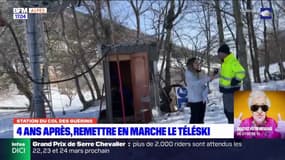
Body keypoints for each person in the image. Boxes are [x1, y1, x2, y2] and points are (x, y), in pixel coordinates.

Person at [217, 44, 245, 123]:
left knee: (231, 112)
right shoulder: (225, 62)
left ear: (224, 53)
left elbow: (242, 72)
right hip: (226, 91)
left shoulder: (232, 61)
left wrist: (236, 80)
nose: (218, 55)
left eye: (219, 53)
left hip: (231, 91)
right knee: (227, 111)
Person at [185, 57, 215, 123]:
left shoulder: (198, 72)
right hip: (194, 100)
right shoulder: (189, 73)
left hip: (201, 98)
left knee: (201, 118)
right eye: (196, 63)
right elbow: (195, 84)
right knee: (195, 119)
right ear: (191, 64)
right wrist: (207, 79)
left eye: (198, 63)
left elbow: (201, 84)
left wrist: (206, 88)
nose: (198, 64)